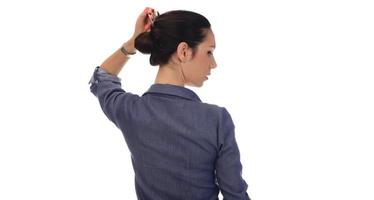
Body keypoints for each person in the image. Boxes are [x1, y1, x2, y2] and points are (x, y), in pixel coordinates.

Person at [88, 8, 251, 200]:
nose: (213, 63)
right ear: (183, 51)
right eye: (209, 52)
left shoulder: (131, 111)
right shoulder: (216, 119)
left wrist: (132, 43)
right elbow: (235, 195)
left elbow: (101, 79)